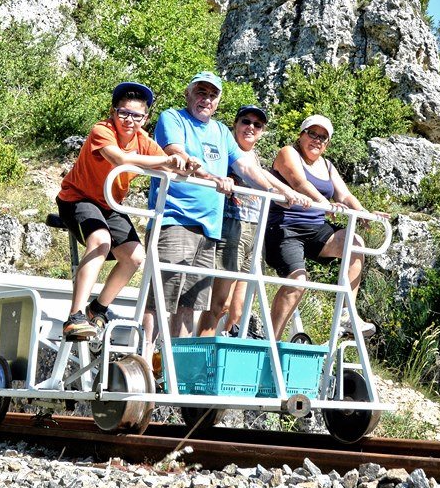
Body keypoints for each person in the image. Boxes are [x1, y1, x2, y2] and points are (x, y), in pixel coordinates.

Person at [55, 81, 196, 342]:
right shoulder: (102, 130)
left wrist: (186, 165)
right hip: (78, 198)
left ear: (145, 118)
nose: (129, 120)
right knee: (100, 240)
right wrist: (167, 160)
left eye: (137, 116)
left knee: (135, 256)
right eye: (124, 113)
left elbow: (170, 167)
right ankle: (75, 317)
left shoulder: (143, 141)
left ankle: (98, 309)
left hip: (109, 204)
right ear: (113, 112)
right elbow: (119, 158)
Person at [150, 72, 280, 338]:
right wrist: (210, 177)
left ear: (218, 101)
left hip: (209, 227)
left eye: (212, 95)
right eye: (200, 92)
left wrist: (277, 191)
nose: (205, 99)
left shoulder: (220, 131)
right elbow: (176, 152)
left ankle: (176, 366)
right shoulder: (173, 118)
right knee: (160, 299)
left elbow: (245, 165)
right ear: (188, 94)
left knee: (189, 304)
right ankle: (144, 357)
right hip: (176, 218)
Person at [265, 114, 372, 340]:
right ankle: (271, 340)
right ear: (301, 135)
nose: (317, 140)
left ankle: (346, 312)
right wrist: (324, 204)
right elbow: (298, 183)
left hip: (315, 229)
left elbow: (344, 194)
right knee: (298, 282)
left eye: (323, 138)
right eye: (312, 134)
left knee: (355, 243)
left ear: (327, 144)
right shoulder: (288, 153)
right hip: (286, 227)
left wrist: (363, 213)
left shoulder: (327, 165)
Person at [207, 104, 307, 337]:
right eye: (245, 121)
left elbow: (262, 174)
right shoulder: (228, 150)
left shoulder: (254, 157)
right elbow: (253, 174)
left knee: (240, 308)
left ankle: (227, 355)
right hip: (230, 225)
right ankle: (200, 359)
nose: (250, 127)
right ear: (235, 124)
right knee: (220, 303)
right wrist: (280, 191)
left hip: (254, 230)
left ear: (262, 131)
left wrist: (292, 194)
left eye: (257, 124)